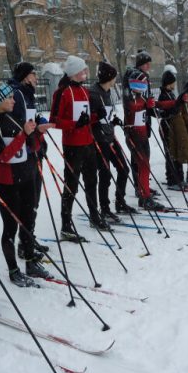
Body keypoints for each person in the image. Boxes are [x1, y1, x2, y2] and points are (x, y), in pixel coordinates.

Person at [0, 81, 53, 287]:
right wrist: (23, 135)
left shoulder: (14, 116)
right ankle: (13, 270)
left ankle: (30, 262)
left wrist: (38, 132)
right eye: (9, 97)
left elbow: (30, 146)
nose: (14, 101)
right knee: (10, 227)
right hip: (8, 181)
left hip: (27, 176)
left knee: (28, 221)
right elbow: (4, 156)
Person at [50, 55, 110, 241]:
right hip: (72, 146)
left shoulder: (84, 91)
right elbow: (54, 121)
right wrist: (74, 124)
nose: (86, 72)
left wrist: (96, 116)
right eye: (83, 69)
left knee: (92, 181)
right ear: (75, 72)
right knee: (72, 185)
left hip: (88, 142)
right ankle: (66, 224)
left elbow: (85, 119)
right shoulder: (62, 92)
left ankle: (94, 216)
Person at [7, 62, 50, 260]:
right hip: (24, 155)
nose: (36, 77)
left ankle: (28, 238)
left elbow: (29, 119)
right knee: (29, 201)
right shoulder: (17, 94)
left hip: (32, 151)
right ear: (25, 76)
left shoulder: (26, 94)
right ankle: (25, 244)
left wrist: (39, 122)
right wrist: (34, 132)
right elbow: (17, 124)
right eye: (34, 73)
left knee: (33, 200)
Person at [89, 61, 136, 221]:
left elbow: (105, 114)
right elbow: (88, 118)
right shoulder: (93, 94)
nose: (116, 79)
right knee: (105, 174)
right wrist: (97, 118)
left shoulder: (107, 92)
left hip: (110, 135)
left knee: (124, 169)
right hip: (99, 139)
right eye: (114, 77)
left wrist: (112, 120)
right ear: (109, 78)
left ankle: (120, 202)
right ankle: (104, 208)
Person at [122, 50, 164, 210]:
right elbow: (134, 102)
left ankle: (143, 188)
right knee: (141, 160)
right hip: (135, 127)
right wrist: (147, 103)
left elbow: (144, 99)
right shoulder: (136, 78)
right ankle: (142, 192)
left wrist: (150, 103)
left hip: (141, 124)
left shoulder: (141, 79)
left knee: (141, 160)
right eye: (146, 63)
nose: (149, 66)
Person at [158, 69, 185, 188]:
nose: (174, 85)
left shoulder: (171, 94)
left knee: (177, 151)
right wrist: (175, 107)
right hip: (166, 126)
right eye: (173, 83)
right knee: (170, 153)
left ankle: (179, 177)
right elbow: (163, 112)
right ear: (168, 84)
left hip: (174, 125)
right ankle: (172, 179)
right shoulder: (163, 95)